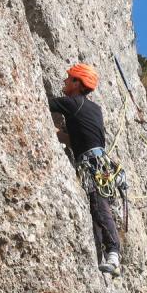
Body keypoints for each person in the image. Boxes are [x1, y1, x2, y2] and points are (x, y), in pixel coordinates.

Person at [49, 63, 122, 275]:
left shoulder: (72, 103)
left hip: (92, 166)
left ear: (77, 83)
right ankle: (104, 256)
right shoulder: (94, 109)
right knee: (96, 209)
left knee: (99, 208)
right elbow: (81, 139)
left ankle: (114, 254)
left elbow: (39, 102)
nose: (64, 81)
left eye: (69, 78)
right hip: (100, 164)